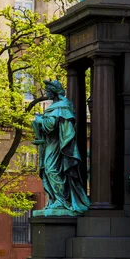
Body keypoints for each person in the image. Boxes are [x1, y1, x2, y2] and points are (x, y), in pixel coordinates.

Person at [32, 80, 90, 215]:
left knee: (52, 169)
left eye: (48, 91)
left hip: (57, 144)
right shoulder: (55, 106)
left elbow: (51, 125)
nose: (46, 93)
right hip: (49, 143)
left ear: (54, 91)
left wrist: (41, 121)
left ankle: (62, 200)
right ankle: (55, 199)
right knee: (48, 170)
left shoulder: (62, 106)